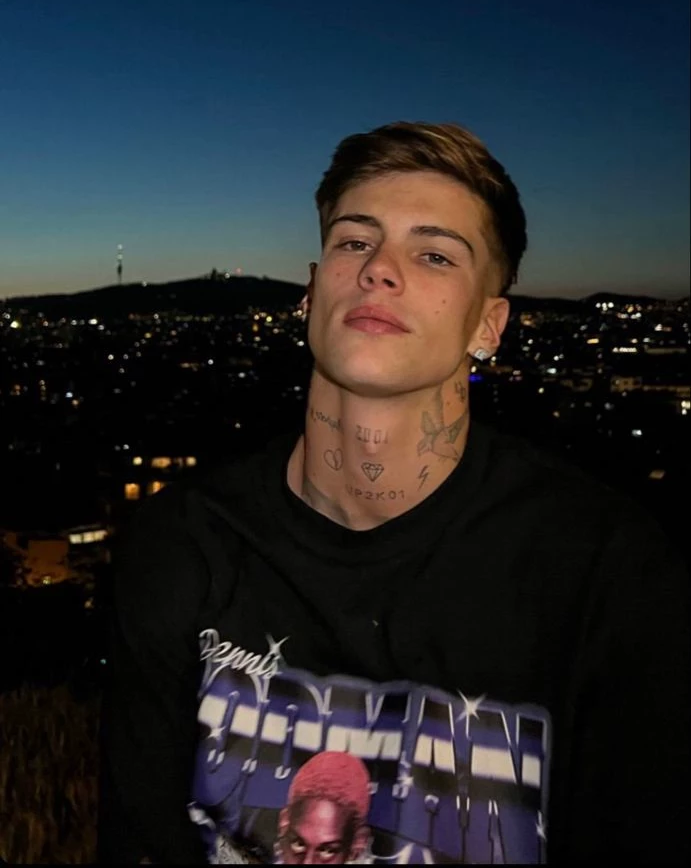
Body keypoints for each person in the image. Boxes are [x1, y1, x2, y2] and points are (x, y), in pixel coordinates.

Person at [98, 121, 690, 866]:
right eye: (354, 241)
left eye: (434, 254)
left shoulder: (605, 569)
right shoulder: (185, 541)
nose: (379, 268)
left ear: (488, 324)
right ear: (311, 291)